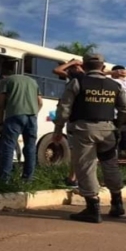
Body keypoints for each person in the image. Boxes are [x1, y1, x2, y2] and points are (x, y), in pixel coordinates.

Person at [52, 53, 126, 223]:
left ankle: (92, 208)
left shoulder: (77, 82)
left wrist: (58, 129)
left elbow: (64, 107)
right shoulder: (115, 85)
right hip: (108, 130)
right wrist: (117, 126)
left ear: (85, 67)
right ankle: (117, 203)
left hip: (84, 130)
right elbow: (125, 109)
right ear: (103, 68)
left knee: (86, 166)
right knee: (110, 165)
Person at [0, 70, 43, 183]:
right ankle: (28, 179)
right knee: (30, 148)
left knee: (8, 146)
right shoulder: (33, 82)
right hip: (32, 117)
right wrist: (34, 113)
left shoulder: (5, 81)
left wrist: (1, 121)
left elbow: (0, 104)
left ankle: (5, 179)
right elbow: (40, 102)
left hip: (14, 115)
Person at [53, 59, 85, 188]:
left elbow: (57, 70)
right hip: (85, 120)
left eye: (74, 67)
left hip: (76, 120)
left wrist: (72, 63)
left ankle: (74, 179)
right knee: (78, 152)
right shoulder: (88, 79)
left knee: (76, 151)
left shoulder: (79, 78)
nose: (71, 69)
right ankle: (74, 178)